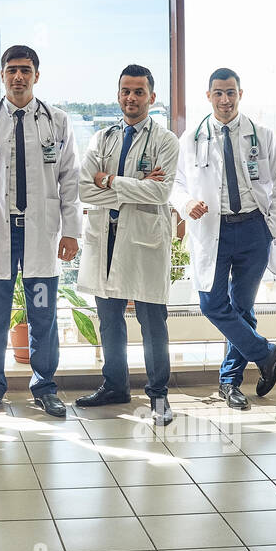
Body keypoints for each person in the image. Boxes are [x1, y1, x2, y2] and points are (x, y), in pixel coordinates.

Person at [0, 45, 80, 418]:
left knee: (42, 313)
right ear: (1, 75)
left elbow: (70, 181)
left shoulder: (56, 121)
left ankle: (45, 386)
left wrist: (71, 232)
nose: (18, 77)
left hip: (40, 236)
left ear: (37, 76)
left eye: (25, 70)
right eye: (11, 70)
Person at [171, 68, 276, 411]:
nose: (225, 100)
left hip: (254, 229)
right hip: (213, 229)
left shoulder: (262, 135)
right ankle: (267, 353)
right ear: (208, 96)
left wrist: (272, 225)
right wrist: (186, 202)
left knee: (242, 307)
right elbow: (174, 185)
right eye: (218, 93)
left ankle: (229, 382)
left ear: (241, 94)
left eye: (231, 93)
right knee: (211, 303)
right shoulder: (191, 138)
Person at [76, 65, 180, 426]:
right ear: (118, 94)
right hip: (105, 237)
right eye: (125, 91)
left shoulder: (165, 141)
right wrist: (131, 184)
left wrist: (109, 181)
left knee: (153, 322)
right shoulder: (101, 138)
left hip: (144, 240)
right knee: (109, 320)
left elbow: (161, 191)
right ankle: (115, 385)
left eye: (139, 92)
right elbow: (82, 187)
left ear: (151, 97)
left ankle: (158, 395)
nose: (131, 98)